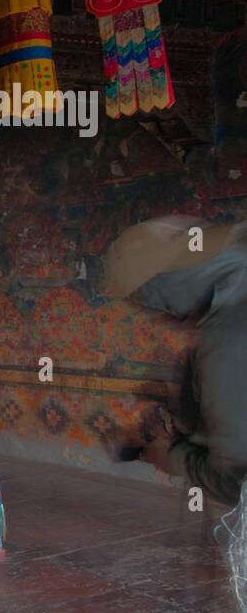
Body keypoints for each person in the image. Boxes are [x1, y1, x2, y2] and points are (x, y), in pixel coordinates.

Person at [102, 216, 247, 505]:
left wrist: (171, 457)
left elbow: (238, 482)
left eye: (148, 301)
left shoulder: (228, 334)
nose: (160, 316)